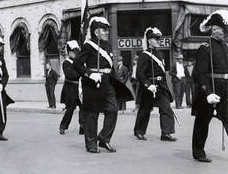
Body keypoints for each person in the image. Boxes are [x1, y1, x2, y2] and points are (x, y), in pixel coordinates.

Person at [74, 17, 133, 153]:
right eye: (104, 30)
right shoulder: (88, 46)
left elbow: (109, 66)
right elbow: (77, 64)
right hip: (92, 82)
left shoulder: (107, 46)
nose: (107, 32)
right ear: (96, 32)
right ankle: (91, 144)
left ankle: (104, 139)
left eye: (107, 30)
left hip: (107, 82)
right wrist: (89, 73)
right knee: (92, 114)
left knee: (113, 110)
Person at [192, 10, 228, 163]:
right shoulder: (205, 47)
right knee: (202, 121)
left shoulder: (226, 47)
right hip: (210, 90)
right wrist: (208, 93)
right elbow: (199, 73)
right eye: (223, 30)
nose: (225, 33)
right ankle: (198, 151)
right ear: (214, 29)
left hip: (225, 90)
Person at [133, 27, 176, 142]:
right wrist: (148, 84)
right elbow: (139, 73)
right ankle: (139, 131)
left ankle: (166, 133)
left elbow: (162, 73)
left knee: (166, 108)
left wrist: (166, 87)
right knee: (145, 109)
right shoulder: (144, 55)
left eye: (159, 38)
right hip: (149, 87)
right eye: (156, 38)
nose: (158, 40)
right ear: (149, 40)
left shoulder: (160, 54)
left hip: (160, 86)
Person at [59, 40, 84, 135]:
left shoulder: (78, 62)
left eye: (76, 52)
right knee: (70, 110)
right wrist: (81, 73)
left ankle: (82, 127)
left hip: (80, 89)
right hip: (71, 90)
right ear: (69, 53)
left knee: (83, 109)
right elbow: (70, 75)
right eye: (73, 52)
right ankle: (63, 127)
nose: (75, 54)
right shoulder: (66, 63)